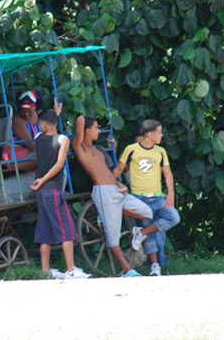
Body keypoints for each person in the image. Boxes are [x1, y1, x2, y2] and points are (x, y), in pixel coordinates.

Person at [72, 114, 154, 277]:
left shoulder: (99, 150)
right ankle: (128, 270)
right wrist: (81, 118)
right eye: (95, 127)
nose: (98, 130)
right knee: (113, 238)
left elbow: (109, 171)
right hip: (103, 192)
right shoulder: (81, 148)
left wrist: (118, 183)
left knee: (147, 212)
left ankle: (114, 216)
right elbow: (79, 125)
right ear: (87, 131)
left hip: (115, 190)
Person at [112, 119, 180, 276]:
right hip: (139, 197)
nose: (162, 135)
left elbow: (167, 173)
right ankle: (155, 266)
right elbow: (120, 169)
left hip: (158, 197)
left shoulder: (161, 151)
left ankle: (141, 232)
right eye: (159, 132)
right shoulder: (132, 149)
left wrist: (170, 193)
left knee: (173, 217)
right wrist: (113, 183)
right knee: (151, 235)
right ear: (150, 134)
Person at [30, 104, 90, 280]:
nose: (40, 126)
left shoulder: (38, 137)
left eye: (42, 123)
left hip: (41, 192)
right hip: (53, 190)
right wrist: (44, 179)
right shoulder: (63, 140)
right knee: (66, 229)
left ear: (45, 124)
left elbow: (49, 127)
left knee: (44, 231)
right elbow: (58, 164)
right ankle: (71, 269)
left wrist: (40, 180)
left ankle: (45, 270)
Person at [2, 89, 43, 169]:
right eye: (23, 111)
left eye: (29, 111)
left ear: (36, 109)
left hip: (29, 152)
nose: (26, 114)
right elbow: (29, 143)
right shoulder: (17, 120)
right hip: (14, 155)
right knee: (46, 155)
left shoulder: (40, 118)